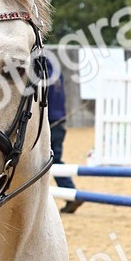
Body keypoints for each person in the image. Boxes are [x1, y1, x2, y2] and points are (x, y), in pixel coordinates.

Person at [47, 57, 80, 215]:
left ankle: (70, 193)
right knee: (56, 159)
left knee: (52, 161)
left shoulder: (38, 66)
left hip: (50, 122)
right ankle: (70, 194)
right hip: (60, 120)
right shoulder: (54, 69)